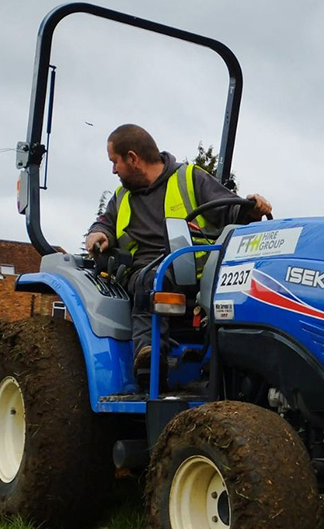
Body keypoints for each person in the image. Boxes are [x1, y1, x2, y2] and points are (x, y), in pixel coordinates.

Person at [85, 124, 271, 385]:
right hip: (145, 273)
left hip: (195, 272)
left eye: (115, 162)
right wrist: (98, 233)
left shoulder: (190, 179)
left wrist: (252, 208)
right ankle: (149, 359)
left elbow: (231, 210)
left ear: (133, 158)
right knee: (150, 279)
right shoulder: (121, 196)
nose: (113, 170)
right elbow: (104, 222)